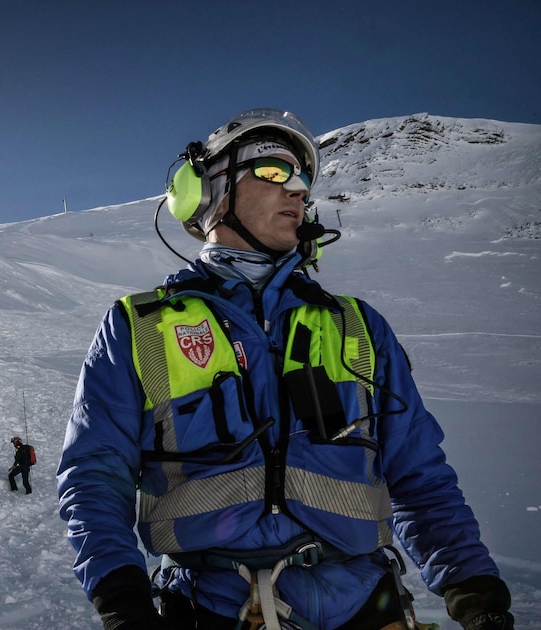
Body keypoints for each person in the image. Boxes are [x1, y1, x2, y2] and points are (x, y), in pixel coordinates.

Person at [55, 108, 513, 630]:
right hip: (211, 609)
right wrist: (121, 600)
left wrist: (474, 588)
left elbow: (419, 477)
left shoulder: (358, 326)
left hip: (366, 607)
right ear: (210, 192)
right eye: (274, 172)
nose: (297, 191)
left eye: (304, 181)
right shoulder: (139, 327)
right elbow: (95, 476)